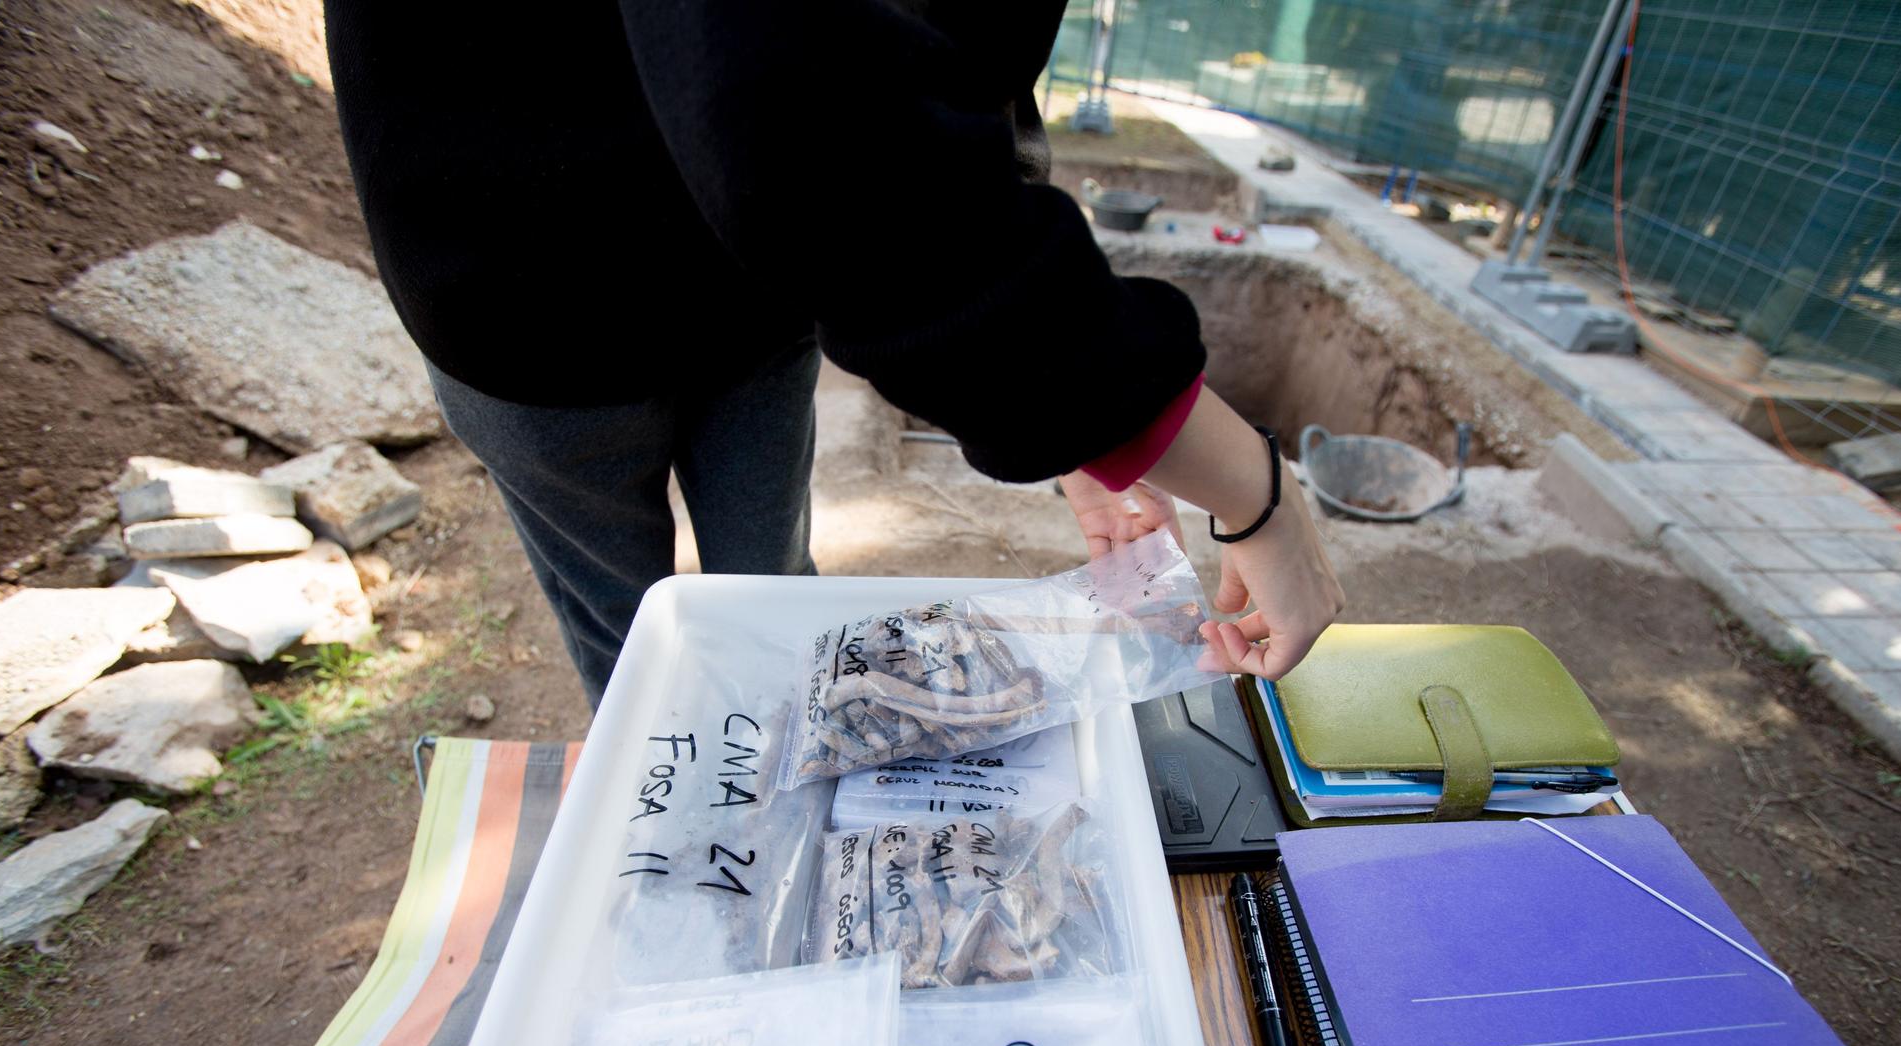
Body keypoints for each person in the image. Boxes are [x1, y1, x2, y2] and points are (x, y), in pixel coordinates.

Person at [322, 0, 1346, 705]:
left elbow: (941, 68)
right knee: (633, 642)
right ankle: (696, 891)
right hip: (522, 295)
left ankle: (797, 804)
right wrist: (1246, 486)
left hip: (747, 297)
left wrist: (1082, 428)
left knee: (771, 593)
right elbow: (807, 115)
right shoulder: (793, 140)